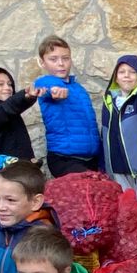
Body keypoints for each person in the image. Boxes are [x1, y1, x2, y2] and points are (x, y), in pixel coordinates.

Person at [35, 35, 100, 177]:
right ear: (42, 62)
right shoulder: (44, 82)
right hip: (65, 158)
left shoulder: (79, 89)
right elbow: (45, 89)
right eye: (53, 59)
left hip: (91, 158)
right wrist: (54, 91)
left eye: (65, 58)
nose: (61, 63)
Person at [101, 55, 137, 209]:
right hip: (117, 165)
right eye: (122, 72)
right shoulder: (108, 101)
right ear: (115, 77)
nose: (126, 75)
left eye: (132, 72)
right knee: (126, 208)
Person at [0, 66, 41, 183]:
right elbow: (5, 109)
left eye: (9, 84)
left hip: (18, 174)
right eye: (0, 84)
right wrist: (24, 96)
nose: (7, 88)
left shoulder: (11, 112)